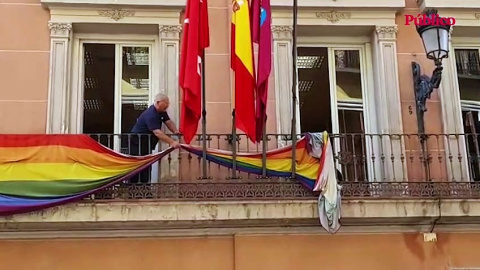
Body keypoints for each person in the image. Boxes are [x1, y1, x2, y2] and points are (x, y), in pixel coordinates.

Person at [129, 93, 180, 184]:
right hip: (137, 142)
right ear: (158, 102)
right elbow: (157, 132)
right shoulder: (151, 114)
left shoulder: (161, 112)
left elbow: (168, 122)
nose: (167, 106)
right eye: (165, 103)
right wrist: (172, 142)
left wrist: (175, 131)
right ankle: (135, 190)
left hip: (146, 143)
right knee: (138, 166)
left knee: (146, 165)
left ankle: (145, 190)